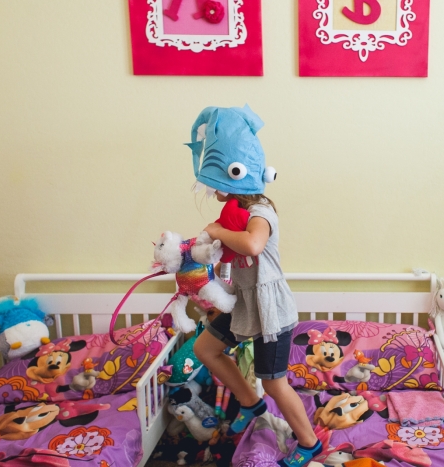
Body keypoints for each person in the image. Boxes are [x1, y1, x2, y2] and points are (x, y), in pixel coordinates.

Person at [187, 105, 321, 467]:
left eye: (216, 181)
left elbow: (253, 245)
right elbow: (231, 254)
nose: (211, 189)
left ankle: (309, 443)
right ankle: (250, 401)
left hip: (271, 310)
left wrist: (216, 231)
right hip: (244, 304)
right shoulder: (232, 213)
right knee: (205, 348)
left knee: (276, 382)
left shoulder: (261, 211)